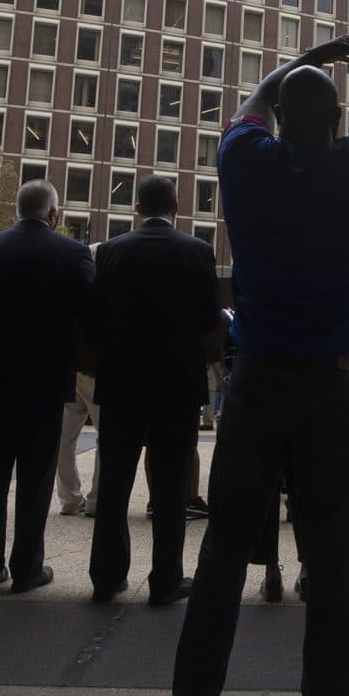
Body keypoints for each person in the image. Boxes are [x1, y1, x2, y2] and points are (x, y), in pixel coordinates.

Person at [166, 5, 349, 696]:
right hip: (334, 387)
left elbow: (256, 99)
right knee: (332, 563)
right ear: (339, 121)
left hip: (257, 381)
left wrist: (312, 55)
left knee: (224, 554)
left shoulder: (245, 163)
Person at [0, 179, 94, 594]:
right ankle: (28, 568)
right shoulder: (72, 253)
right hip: (45, 382)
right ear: (53, 213)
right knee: (36, 477)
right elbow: (90, 314)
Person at [87, 176, 223, 607]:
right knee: (169, 486)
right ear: (177, 207)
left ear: (137, 209)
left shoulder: (110, 252)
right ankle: (166, 579)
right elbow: (209, 320)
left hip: (122, 382)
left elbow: (93, 317)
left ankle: (106, 577)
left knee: (114, 483)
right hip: (176, 386)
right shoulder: (197, 252)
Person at [56, 371, 100, 517]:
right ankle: (96, 500)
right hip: (96, 371)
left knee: (63, 440)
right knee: (106, 439)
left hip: (72, 370)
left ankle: (70, 499)